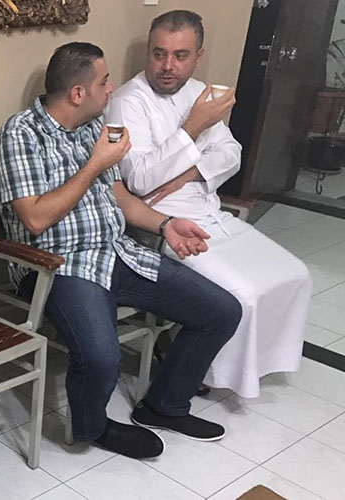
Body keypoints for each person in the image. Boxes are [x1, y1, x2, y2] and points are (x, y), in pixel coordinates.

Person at [0, 42, 242, 459]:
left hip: (117, 252)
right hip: (59, 265)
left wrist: (166, 225)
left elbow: (120, 196)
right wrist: (94, 163)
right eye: (104, 82)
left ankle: (165, 405)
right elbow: (34, 219)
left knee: (221, 311)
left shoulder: (93, 128)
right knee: (100, 357)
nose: (111, 89)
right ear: (77, 93)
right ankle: (92, 428)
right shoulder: (20, 134)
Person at [105, 10, 311, 398]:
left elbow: (231, 153)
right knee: (242, 295)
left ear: (198, 55)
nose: (168, 66)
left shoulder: (199, 93)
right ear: (148, 53)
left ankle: (253, 364)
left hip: (210, 211)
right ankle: (208, 370)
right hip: (164, 224)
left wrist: (185, 174)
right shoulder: (128, 102)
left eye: (180, 55)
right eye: (159, 54)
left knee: (295, 273)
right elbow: (141, 180)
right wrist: (193, 127)